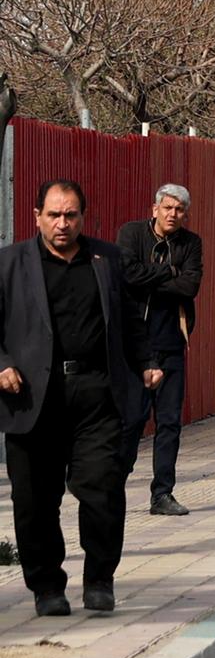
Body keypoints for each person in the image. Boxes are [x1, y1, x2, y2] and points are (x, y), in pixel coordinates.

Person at [0, 181, 161, 616]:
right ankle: (47, 587)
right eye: (53, 215)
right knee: (34, 500)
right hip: (33, 400)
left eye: (70, 215)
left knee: (103, 488)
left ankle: (99, 580)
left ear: (83, 217)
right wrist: (2, 364)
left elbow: (130, 320)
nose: (62, 224)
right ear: (36, 215)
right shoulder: (10, 264)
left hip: (96, 395)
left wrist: (146, 361)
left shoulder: (106, 260)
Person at [118, 184, 203, 517]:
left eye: (179, 210)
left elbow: (190, 285)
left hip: (170, 342)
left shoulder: (191, 243)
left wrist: (149, 276)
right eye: (167, 208)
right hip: (133, 345)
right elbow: (126, 275)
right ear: (154, 208)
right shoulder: (131, 234)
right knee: (131, 420)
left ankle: (162, 494)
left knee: (169, 423)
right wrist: (169, 272)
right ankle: (113, 486)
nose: (172, 214)